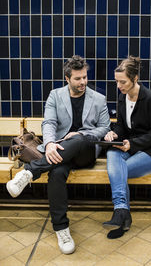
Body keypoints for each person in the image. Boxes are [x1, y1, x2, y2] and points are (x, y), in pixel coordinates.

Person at [6, 55, 110, 254]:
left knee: (79, 138)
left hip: (85, 153)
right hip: (58, 153)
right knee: (57, 173)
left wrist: (80, 134)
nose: (83, 82)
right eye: (78, 79)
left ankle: (29, 172)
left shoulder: (98, 99)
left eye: (85, 77)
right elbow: (49, 123)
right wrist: (51, 143)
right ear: (67, 78)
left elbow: (104, 129)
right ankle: (61, 229)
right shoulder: (55, 95)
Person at [103, 56, 151, 239]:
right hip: (131, 147)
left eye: (123, 82)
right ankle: (122, 211)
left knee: (119, 170)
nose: (119, 86)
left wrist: (132, 144)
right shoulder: (122, 97)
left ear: (135, 79)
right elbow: (121, 126)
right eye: (117, 81)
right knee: (111, 152)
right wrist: (114, 134)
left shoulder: (149, 98)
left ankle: (122, 216)